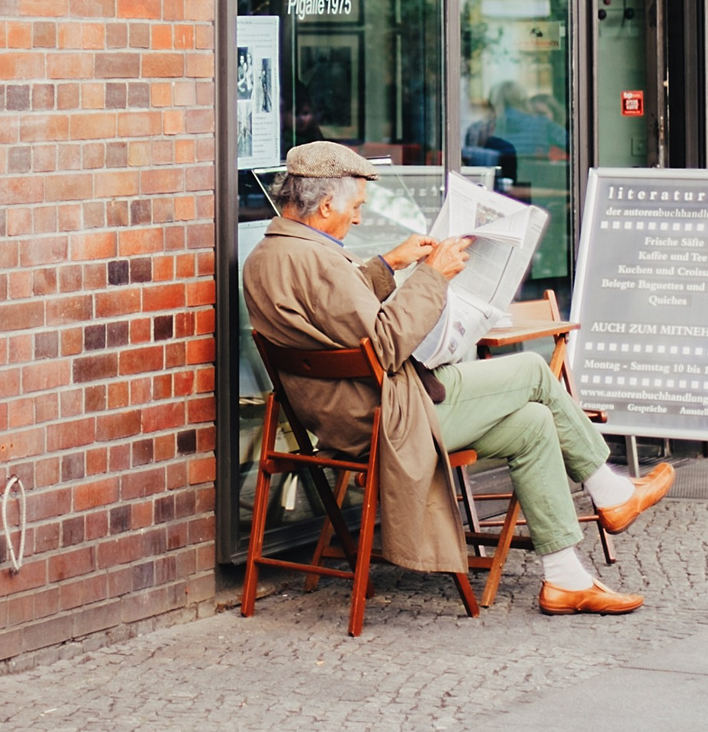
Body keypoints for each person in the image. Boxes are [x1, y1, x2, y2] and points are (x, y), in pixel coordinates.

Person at [241, 141, 674, 616]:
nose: (358, 219)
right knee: (533, 370)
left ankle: (564, 579)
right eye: (356, 207)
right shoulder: (318, 260)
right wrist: (433, 276)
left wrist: (389, 265)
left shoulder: (271, 256)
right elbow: (386, 344)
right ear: (326, 205)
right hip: (389, 420)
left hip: (347, 417)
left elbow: (337, 313)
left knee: (532, 424)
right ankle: (611, 493)